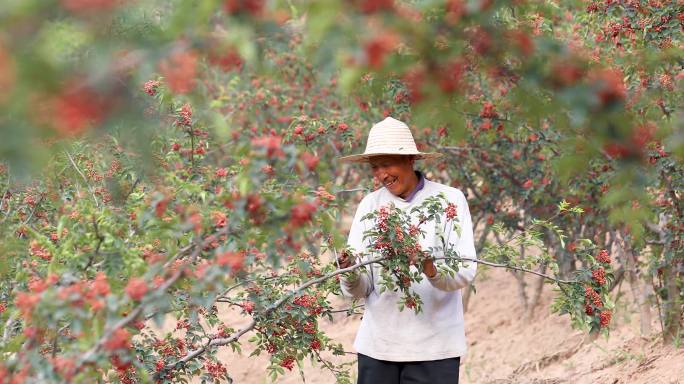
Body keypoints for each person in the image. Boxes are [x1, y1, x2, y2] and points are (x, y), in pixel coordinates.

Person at [337, 116, 477, 384]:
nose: (381, 175)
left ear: (411, 159)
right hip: (379, 347)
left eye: (387, 164)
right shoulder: (370, 206)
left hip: (436, 348)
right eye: (375, 167)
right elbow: (360, 289)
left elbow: (465, 270)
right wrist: (348, 271)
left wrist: (429, 268)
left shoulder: (449, 200)